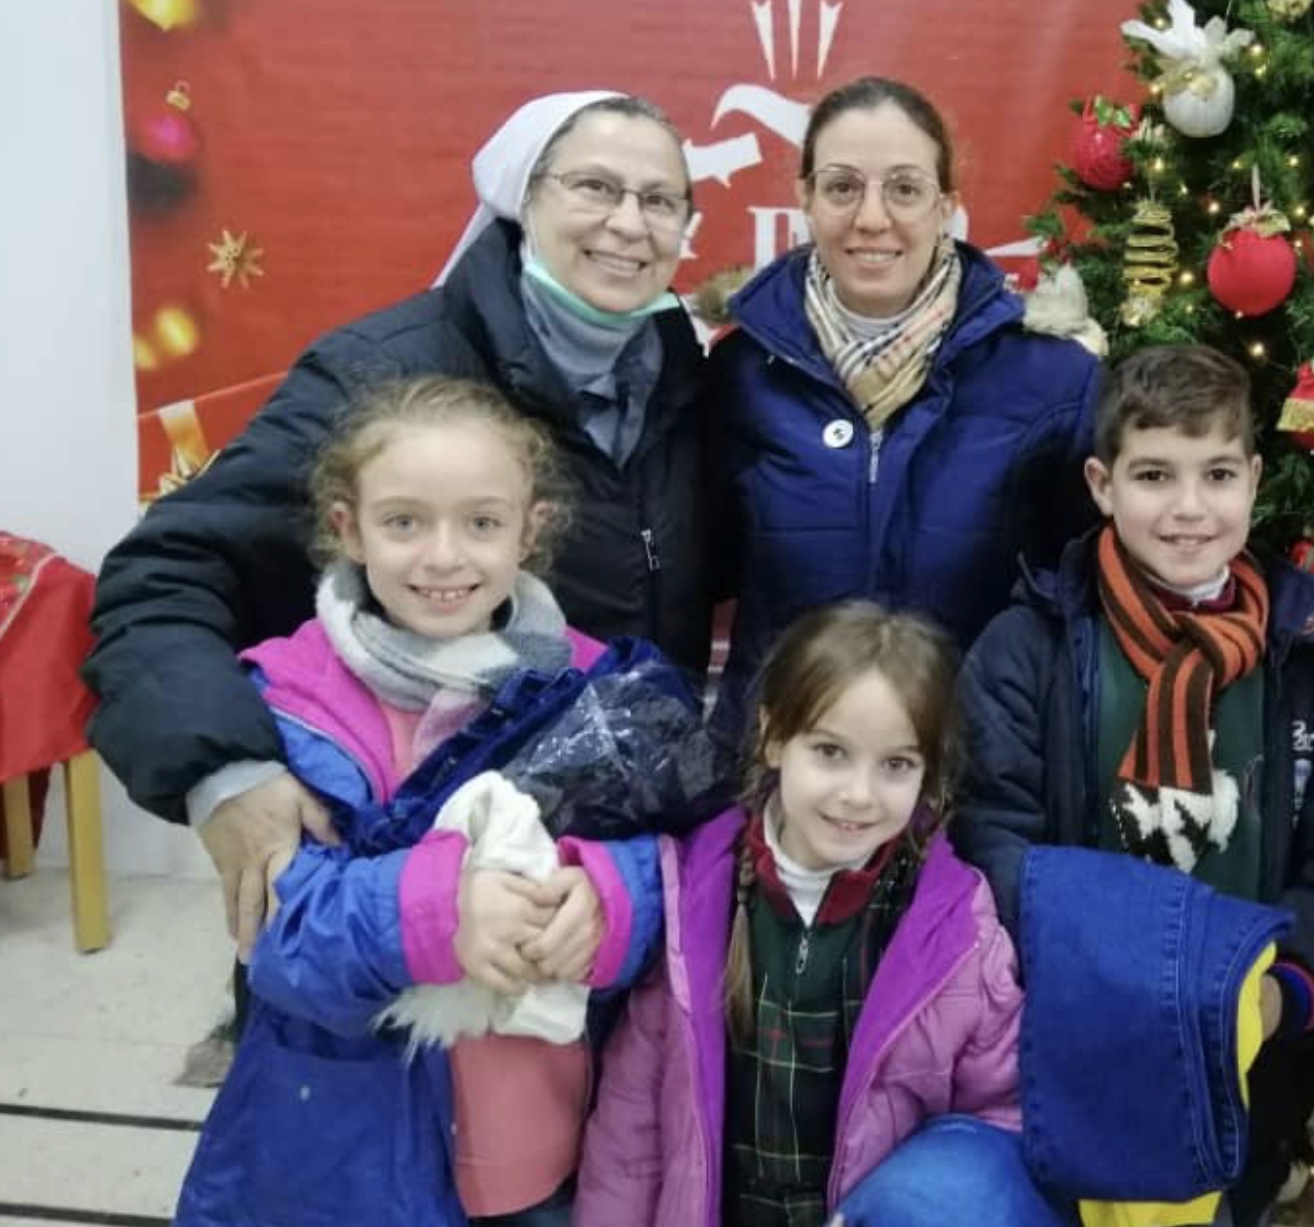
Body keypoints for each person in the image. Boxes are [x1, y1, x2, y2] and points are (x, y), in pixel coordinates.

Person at [86, 91, 716, 961]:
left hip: (592, 890)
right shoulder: (379, 375)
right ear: (521, 198)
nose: (629, 223)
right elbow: (163, 575)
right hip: (391, 904)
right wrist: (221, 774)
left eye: (659, 199)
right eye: (595, 188)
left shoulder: (688, 386)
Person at [174, 375, 661, 1227]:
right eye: (404, 522)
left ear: (530, 530)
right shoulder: (286, 696)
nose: (443, 557)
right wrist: (438, 914)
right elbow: (278, 934)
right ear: (348, 528)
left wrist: (612, 898)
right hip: (351, 1159)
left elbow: (678, 861)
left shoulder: (597, 685)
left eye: (481, 523)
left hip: (543, 1143)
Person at [955, 343, 1314, 1226]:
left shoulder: (1301, 668)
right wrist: (1118, 972)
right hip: (1070, 1047)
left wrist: (1280, 993)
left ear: (1254, 480)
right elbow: (993, 840)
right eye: (1153, 475)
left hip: (1242, 1059)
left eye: (1217, 474)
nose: (1188, 508)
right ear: (1102, 485)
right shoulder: (1028, 650)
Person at [575, 600, 1023, 1227]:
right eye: (831, 752)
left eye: (896, 765)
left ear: (927, 774)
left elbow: (998, 1119)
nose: (858, 795)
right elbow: (633, 1125)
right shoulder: (695, 898)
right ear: (774, 737)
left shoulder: (960, 933)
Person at [707, 75, 1101, 741]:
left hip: (973, 762)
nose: (871, 218)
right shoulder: (740, 372)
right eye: (841, 187)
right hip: (780, 763)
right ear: (805, 198)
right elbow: (687, 566)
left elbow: (1085, 596)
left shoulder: (1055, 380)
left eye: (905, 189)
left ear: (946, 205)